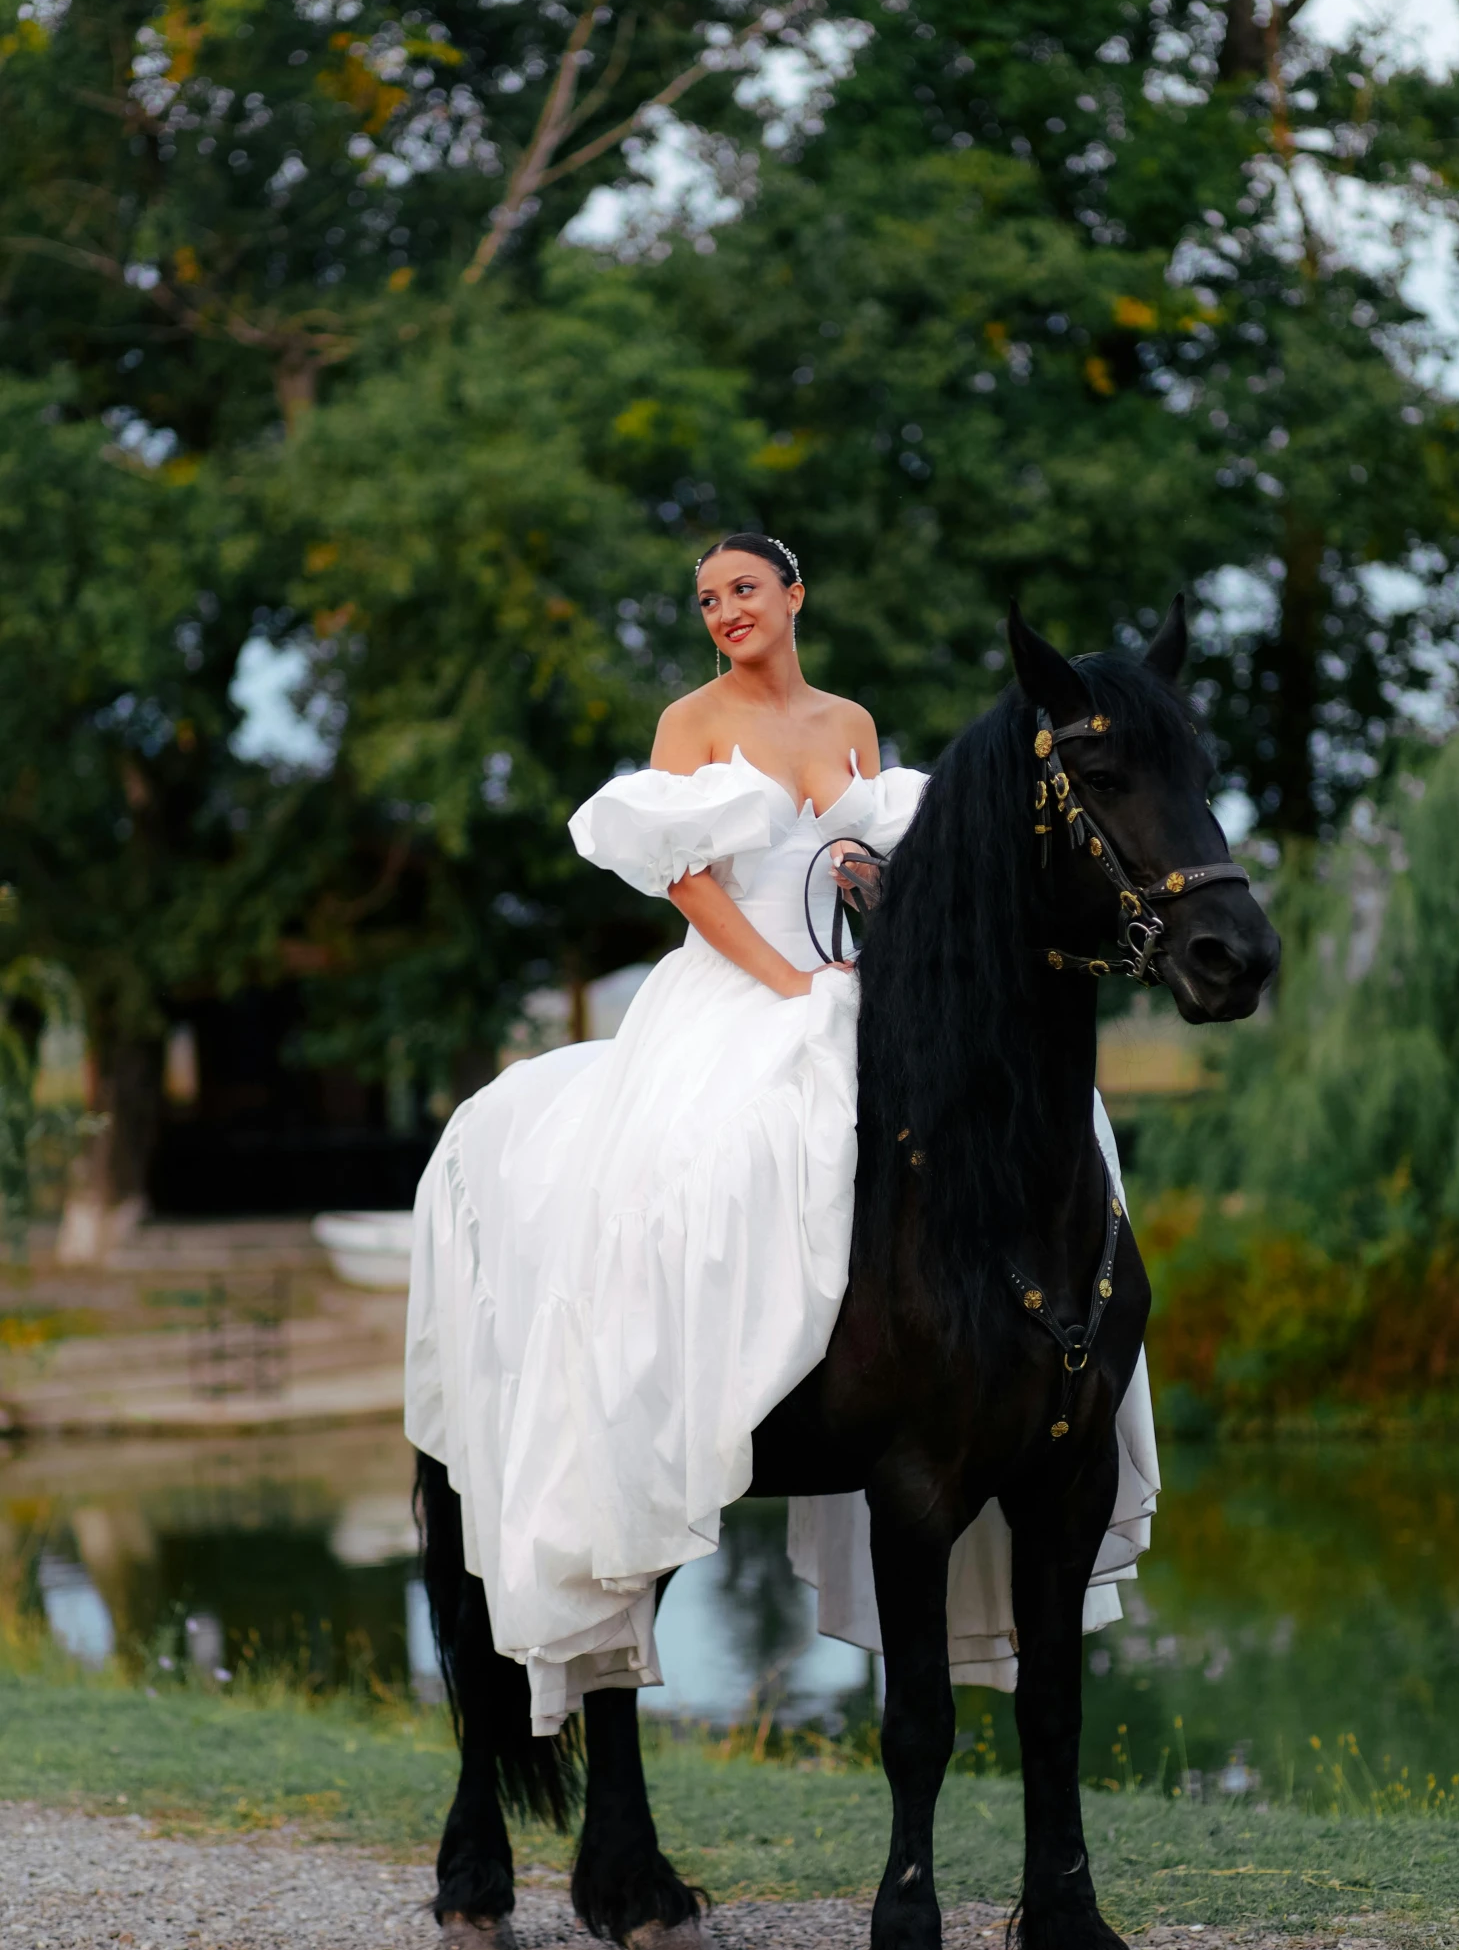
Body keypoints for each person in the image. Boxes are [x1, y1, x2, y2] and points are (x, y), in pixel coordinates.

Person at [404, 535, 1157, 1735]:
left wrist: (870, 878)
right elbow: (689, 883)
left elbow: (887, 856)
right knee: (729, 1155)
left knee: (1047, 1129)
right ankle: (688, 1387)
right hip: (738, 984)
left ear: (794, 595)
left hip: (861, 972)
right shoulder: (689, 722)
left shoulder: (850, 715)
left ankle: (1048, 1360)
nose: (725, 613)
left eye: (744, 590)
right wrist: (790, 988)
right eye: (707, 599)